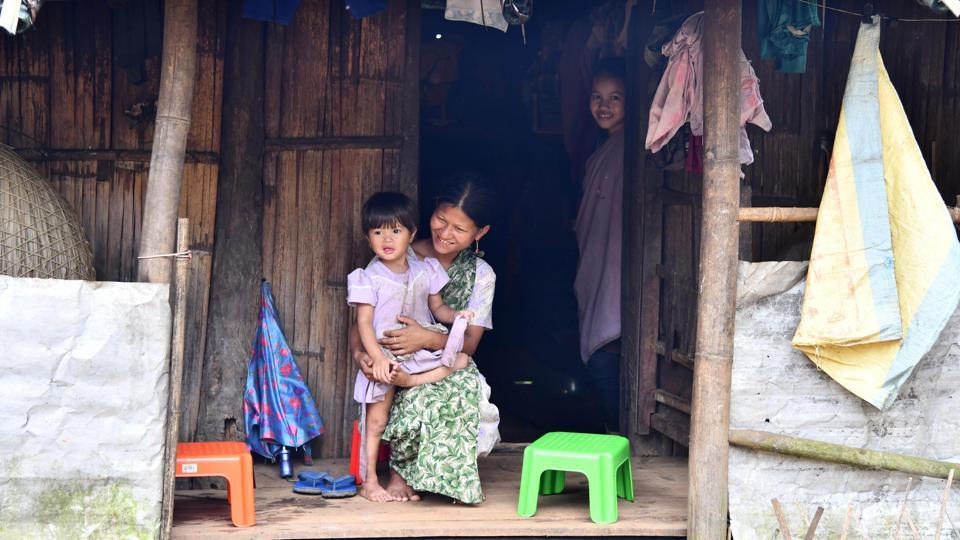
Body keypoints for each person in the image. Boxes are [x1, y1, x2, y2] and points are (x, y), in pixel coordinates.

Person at [350, 173, 500, 504]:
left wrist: (425, 338)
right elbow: (363, 321)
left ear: (480, 233)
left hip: (437, 360)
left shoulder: (481, 275)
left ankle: (427, 475)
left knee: (453, 389)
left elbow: (470, 344)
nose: (445, 233)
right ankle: (395, 474)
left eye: (459, 229)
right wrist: (363, 357)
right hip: (390, 359)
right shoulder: (398, 252)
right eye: (441, 220)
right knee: (403, 394)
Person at [574, 57, 626, 433]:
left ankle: (619, 436)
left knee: (608, 348)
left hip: (616, 266)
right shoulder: (604, 150)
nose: (603, 106)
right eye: (596, 97)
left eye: (615, 98)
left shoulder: (629, 152)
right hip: (597, 262)